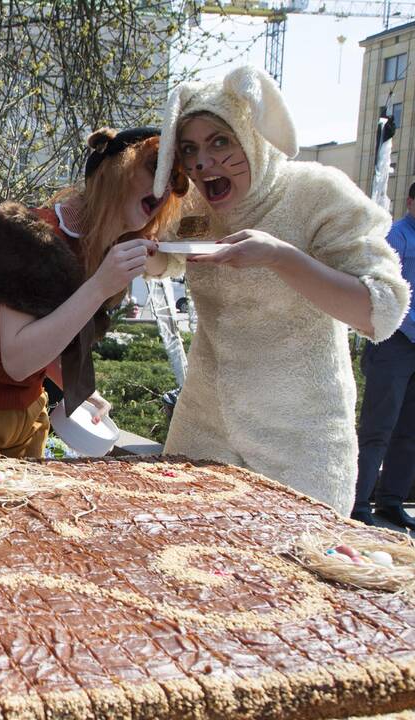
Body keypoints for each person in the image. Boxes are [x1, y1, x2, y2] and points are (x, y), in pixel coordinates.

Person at [150, 65, 410, 514]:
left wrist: (281, 257)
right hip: (202, 428)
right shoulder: (194, 204)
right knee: (180, 568)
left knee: (293, 577)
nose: (202, 163)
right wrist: (144, 253)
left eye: (220, 142)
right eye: (189, 148)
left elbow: (381, 312)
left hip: (301, 442)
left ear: (251, 135)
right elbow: (168, 258)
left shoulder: (317, 192)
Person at [0, 127, 185, 463]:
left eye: (173, 178)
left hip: (29, 414)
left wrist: (81, 392)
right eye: (154, 167)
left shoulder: (100, 249)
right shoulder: (32, 233)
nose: (163, 187)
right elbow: (17, 361)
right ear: (116, 171)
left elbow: (51, 342)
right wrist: (100, 285)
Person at [352, 182, 415, 527]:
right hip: (394, 342)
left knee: (410, 430)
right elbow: (383, 291)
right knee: (378, 427)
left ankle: (391, 501)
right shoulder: (395, 237)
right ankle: (359, 503)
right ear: (410, 201)